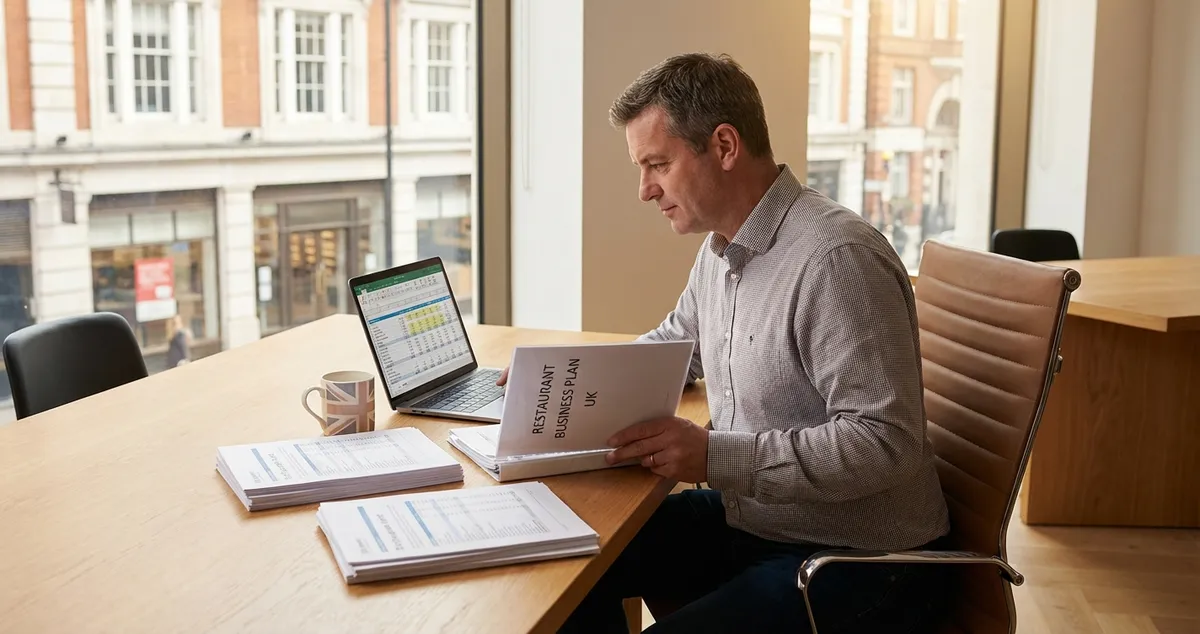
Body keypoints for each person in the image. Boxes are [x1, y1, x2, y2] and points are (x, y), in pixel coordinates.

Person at [499, 52, 950, 632]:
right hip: (761, 521)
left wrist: (713, 456)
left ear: (725, 146)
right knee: (566, 557)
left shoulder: (835, 259)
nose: (644, 189)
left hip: (860, 560)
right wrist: (565, 376)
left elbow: (885, 444)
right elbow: (676, 344)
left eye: (657, 164)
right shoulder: (722, 248)